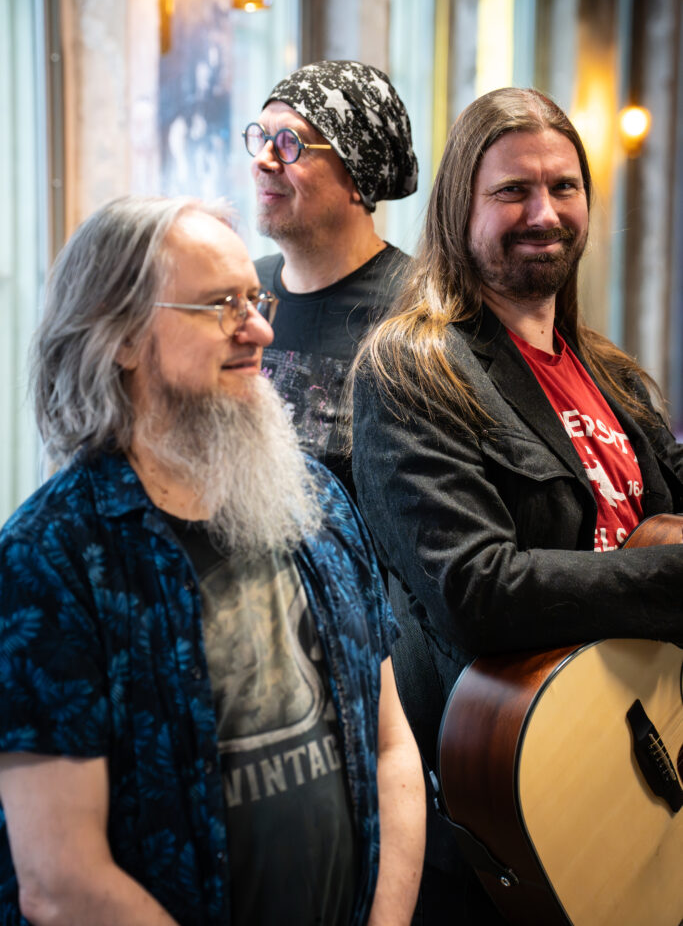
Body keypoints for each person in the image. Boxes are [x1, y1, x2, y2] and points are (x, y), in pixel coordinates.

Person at [0, 196, 425, 926]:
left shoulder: (316, 500)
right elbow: (61, 879)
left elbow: (391, 749)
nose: (259, 329)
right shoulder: (49, 558)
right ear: (121, 335)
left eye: (255, 300)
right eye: (220, 305)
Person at [350, 87, 683, 924]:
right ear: (458, 208)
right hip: (511, 797)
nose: (544, 213)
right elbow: (475, 589)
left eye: (563, 187)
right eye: (512, 191)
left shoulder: (611, 375)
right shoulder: (414, 368)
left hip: (635, 759)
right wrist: (665, 571)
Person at [245, 59, 418, 494]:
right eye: (261, 138)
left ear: (359, 174)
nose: (262, 160)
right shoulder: (241, 292)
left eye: (290, 143)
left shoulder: (419, 307)